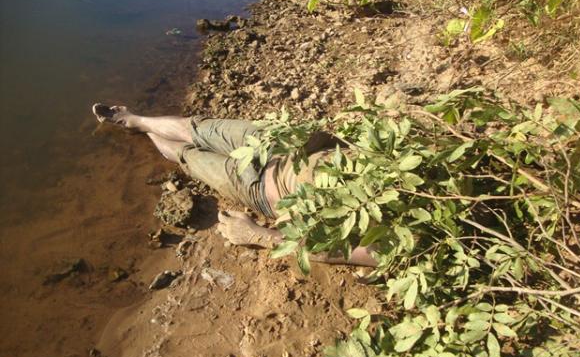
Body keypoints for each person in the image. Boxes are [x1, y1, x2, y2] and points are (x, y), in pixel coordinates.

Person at [92, 104, 377, 267]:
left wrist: (258, 234)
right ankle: (136, 120)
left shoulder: (407, 241)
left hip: (260, 185)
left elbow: (331, 251)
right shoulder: (417, 159)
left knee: (187, 156)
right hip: (285, 143)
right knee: (195, 129)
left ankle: (146, 134)